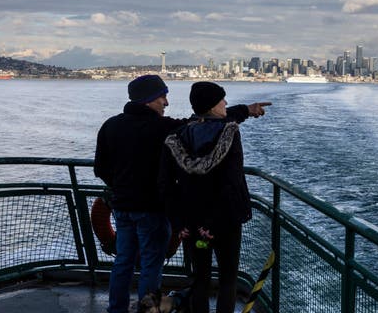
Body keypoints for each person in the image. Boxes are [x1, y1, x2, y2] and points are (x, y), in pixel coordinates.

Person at [94, 75, 270, 313]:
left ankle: (117, 309)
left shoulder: (110, 125)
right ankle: (148, 312)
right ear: (148, 100)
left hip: (125, 208)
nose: (166, 102)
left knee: (123, 262)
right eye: (162, 96)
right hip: (155, 210)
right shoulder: (164, 128)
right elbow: (205, 123)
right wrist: (246, 110)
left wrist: (122, 188)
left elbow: (101, 169)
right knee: (152, 265)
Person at [158, 81, 265, 313]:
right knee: (228, 280)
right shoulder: (229, 133)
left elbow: (165, 186)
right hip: (224, 222)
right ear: (212, 106)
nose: (225, 103)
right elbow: (232, 183)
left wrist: (179, 224)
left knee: (200, 279)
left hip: (191, 225)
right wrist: (213, 224)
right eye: (221, 100)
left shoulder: (176, 137)